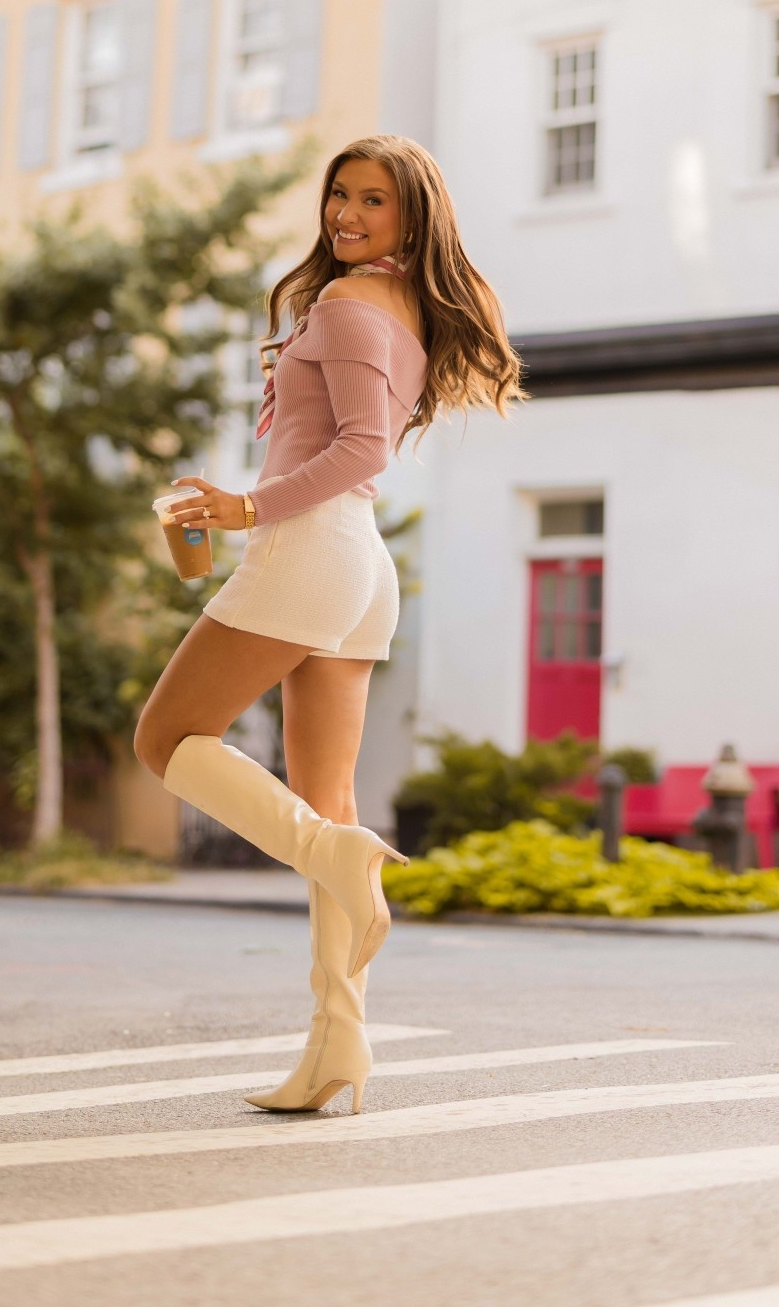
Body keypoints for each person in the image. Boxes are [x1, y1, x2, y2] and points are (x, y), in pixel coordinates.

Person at [135, 134, 519, 1113]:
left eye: (372, 201)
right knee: (327, 795)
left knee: (166, 738)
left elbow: (355, 448)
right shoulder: (399, 308)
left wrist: (242, 508)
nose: (345, 214)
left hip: (309, 547)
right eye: (338, 195)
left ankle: (335, 854)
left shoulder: (349, 306)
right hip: (357, 563)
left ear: (411, 218)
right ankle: (335, 1040)